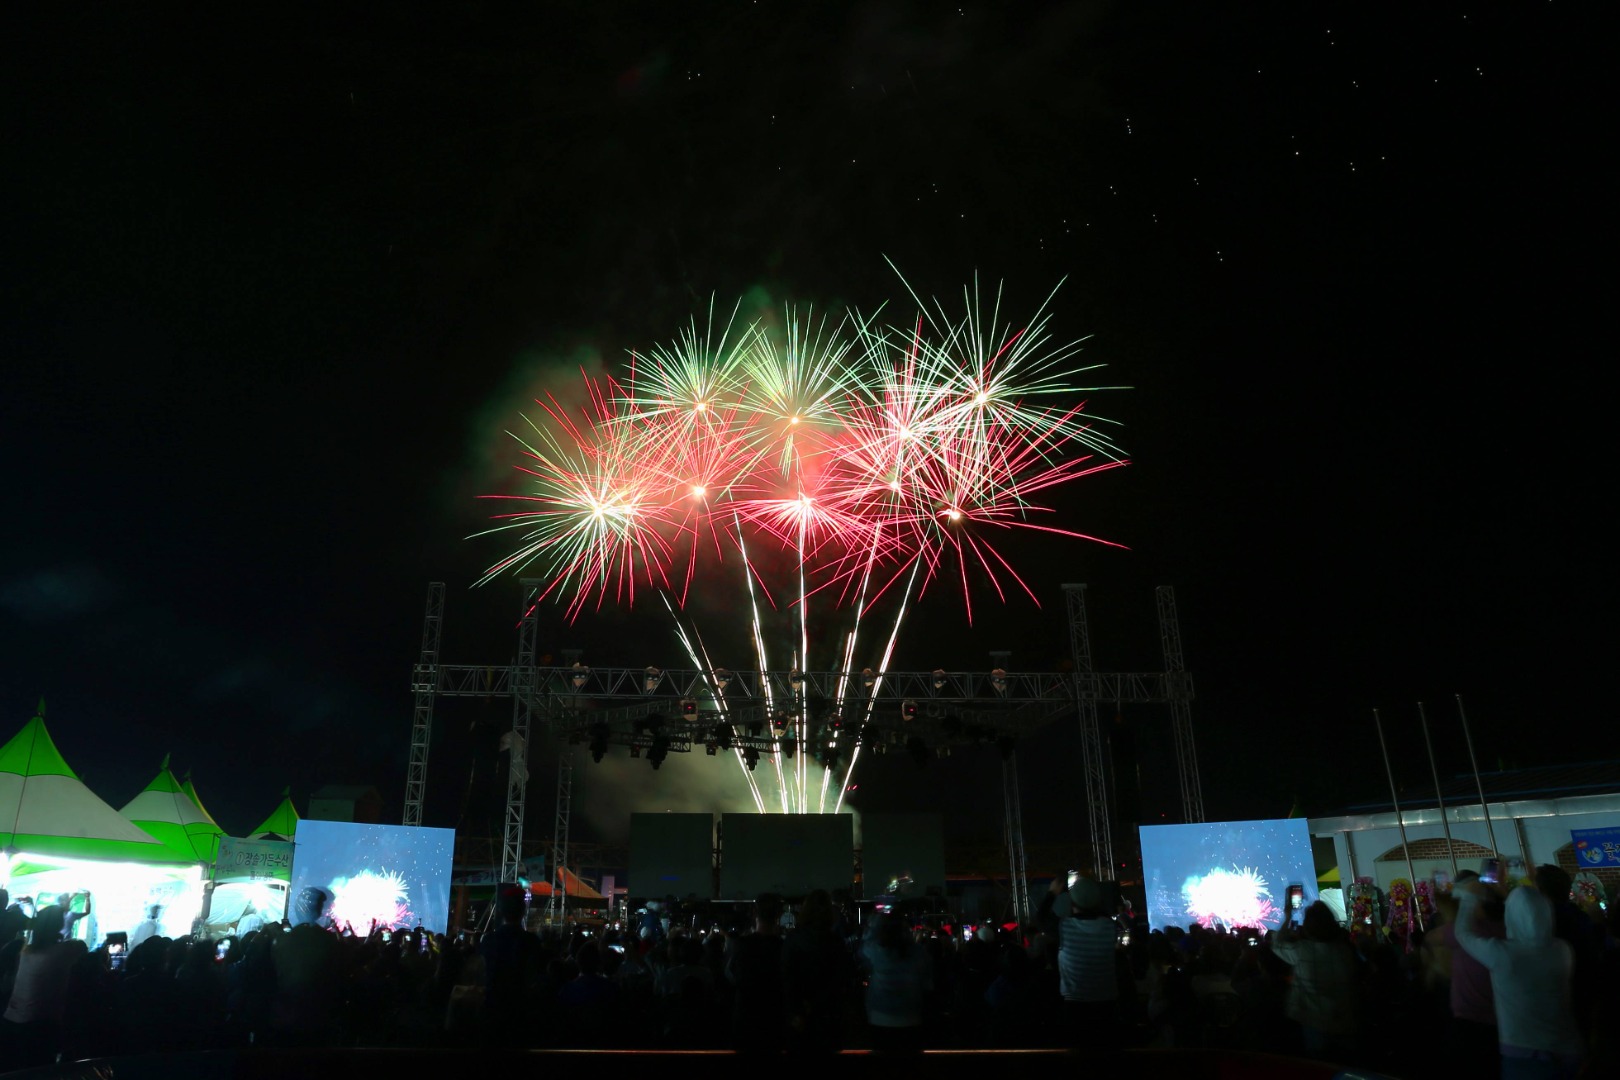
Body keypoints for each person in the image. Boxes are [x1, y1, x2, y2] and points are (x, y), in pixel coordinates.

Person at [1452, 879, 1584, 1079]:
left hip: (1524, 1054)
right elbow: (1530, 917)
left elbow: (1463, 934)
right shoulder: (1562, 949)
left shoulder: (1503, 954)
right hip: (1570, 1049)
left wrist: (1469, 898)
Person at [1268, 900, 1360, 1062]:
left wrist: (1288, 916)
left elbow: (1277, 944)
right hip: (1345, 1022)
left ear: (1309, 927)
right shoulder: (1345, 951)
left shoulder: (1301, 950)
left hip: (1313, 1023)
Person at [1038, 874, 1121, 1051]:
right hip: (1108, 1009)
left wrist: (1052, 893)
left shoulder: (1065, 927)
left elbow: (1041, 917)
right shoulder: (1109, 927)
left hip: (1075, 1008)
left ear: (1072, 903)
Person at [0, 905, 75, 1066]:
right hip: (40, 1026)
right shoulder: (69, 949)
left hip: (10, 1020)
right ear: (60, 924)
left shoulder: (24, 951)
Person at [478, 884, 542, 1046]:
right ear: (523, 911)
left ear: (501, 910)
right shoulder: (532, 941)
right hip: (522, 1011)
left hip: (492, 1009)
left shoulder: (488, 940)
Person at [859, 911, 932, 1053]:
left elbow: (861, 952)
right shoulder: (920, 953)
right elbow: (927, 986)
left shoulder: (873, 950)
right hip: (911, 1017)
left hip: (879, 1017)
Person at [726, 893, 787, 1054]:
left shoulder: (741, 945)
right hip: (775, 1017)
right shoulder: (784, 947)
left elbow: (731, 976)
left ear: (754, 913)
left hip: (746, 1017)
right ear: (779, 914)